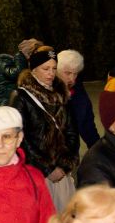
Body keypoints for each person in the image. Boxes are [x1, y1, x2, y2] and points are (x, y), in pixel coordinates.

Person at [11, 48, 78, 209]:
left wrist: (65, 165)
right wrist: (48, 169)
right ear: (33, 70)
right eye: (45, 69)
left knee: (65, 221)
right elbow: (21, 139)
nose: (51, 74)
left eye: (54, 68)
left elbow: (71, 131)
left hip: (62, 171)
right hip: (37, 173)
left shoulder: (61, 94)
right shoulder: (21, 97)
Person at [57, 50, 98, 155]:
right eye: (68, 73)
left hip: (72, 152)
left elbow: (87, 122)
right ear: (56, 71)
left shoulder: (78, 89)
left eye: (75, 74)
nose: (72, 79)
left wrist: (97, 149)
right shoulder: (46, 92)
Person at [0, 38, 40, 108]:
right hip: (5, 105)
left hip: (18, 104)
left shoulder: (25, 63)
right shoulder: (5, 61)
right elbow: (18, 75)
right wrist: (21, 56)